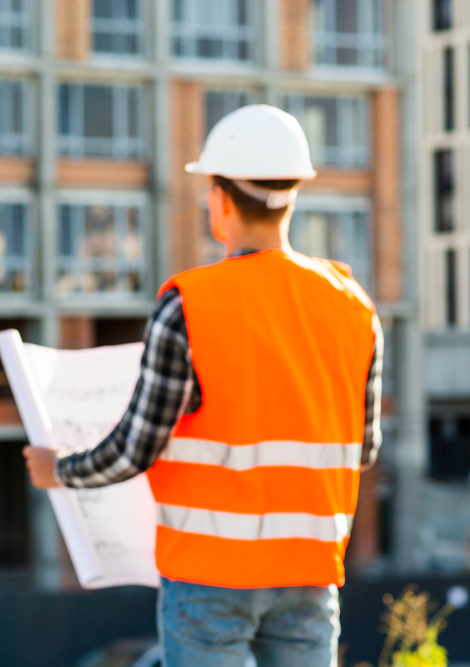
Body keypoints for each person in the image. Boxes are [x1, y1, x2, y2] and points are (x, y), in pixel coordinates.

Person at [23, 105, 382, 667]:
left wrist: (58, 470)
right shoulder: (353, 304)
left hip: (209, 581)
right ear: (293, 193)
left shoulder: (190, 304)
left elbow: (135, 448)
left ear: (218, 198)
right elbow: (366, 449)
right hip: (310, 576)